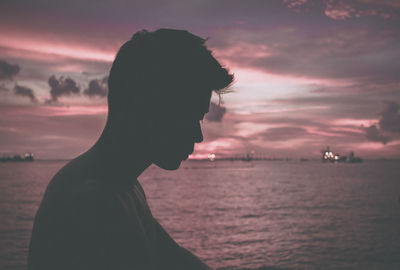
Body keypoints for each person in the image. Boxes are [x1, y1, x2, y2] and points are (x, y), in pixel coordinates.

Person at [28, 28, 234, 270]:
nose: (197, 136)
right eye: (190, 116)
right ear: (148, 106)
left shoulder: (122, 186)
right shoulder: (94, 205)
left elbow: (172, 256)